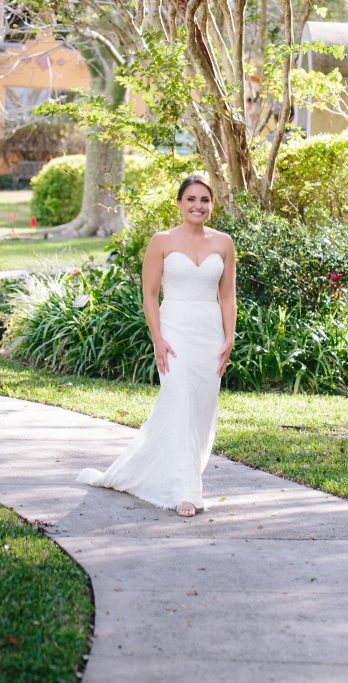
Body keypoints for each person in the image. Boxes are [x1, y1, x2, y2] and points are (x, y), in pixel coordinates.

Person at [76, 175, 237, 518]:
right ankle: (186, 490)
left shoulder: (224, 243)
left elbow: (227, 295)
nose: (198, 205)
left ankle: (164, 471)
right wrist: (158, 338)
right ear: (179, 203)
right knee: (178, 401)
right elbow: (149, 295)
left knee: (201, 411)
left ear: (212, 205)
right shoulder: (161, 241)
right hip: (174, 330)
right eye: (191, 199)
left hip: (209, 334)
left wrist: (229, 337)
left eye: (204, 200)